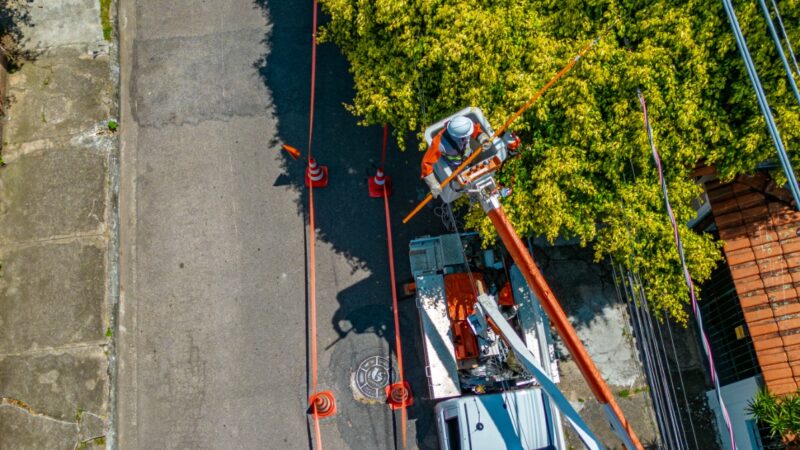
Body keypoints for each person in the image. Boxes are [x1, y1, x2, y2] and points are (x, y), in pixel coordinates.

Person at [420, 115, 492, 198]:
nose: (468, 135)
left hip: (469, 158)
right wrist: (433, 184)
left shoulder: (465, 125)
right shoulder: (439, 143)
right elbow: (426, 163)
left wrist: (484, 139)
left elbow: (476, 131)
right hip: (455, 167)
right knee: (461, 182)